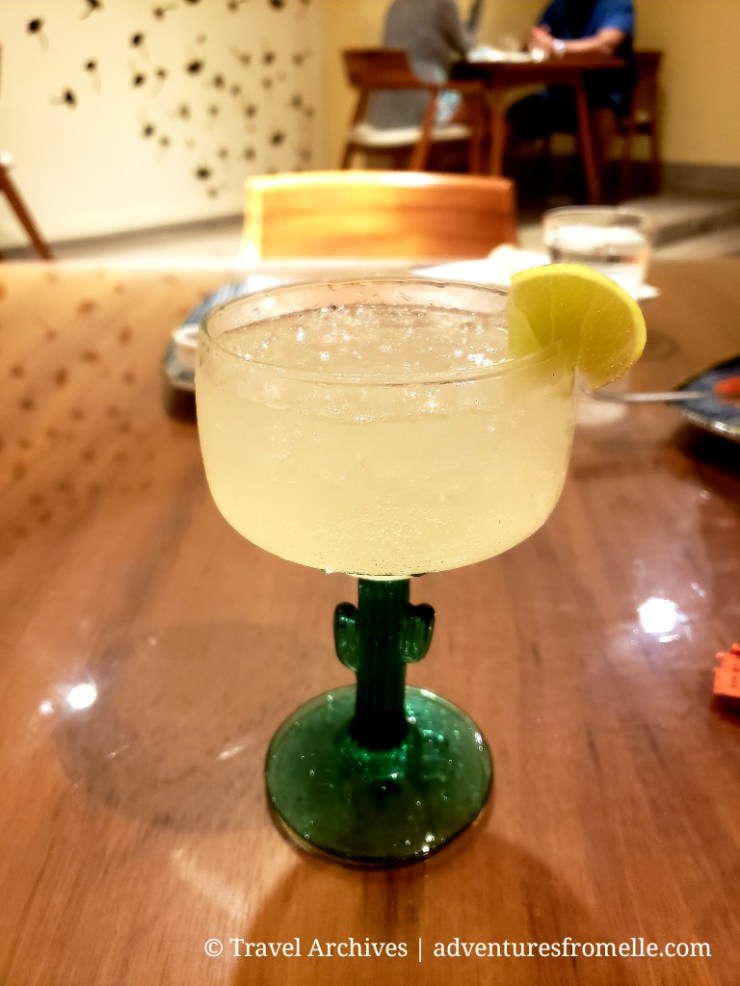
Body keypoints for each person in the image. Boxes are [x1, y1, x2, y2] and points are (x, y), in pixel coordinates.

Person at [507, 0, 635, 164]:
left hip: (604, 90)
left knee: (602, 111)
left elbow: (604, 47)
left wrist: (556, 46)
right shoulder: (558, 5)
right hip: (559, 91)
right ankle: (505, 176)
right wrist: (535, 44)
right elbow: (536, 40)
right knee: (516, 115)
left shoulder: (616, 4)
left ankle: (595, 178)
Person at [370, 0, 485, 129]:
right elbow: (466, 47)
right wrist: (476, 13)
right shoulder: (444, 4)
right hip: (423, 112)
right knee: (481, 110)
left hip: (381, 116)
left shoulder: (396, 5)